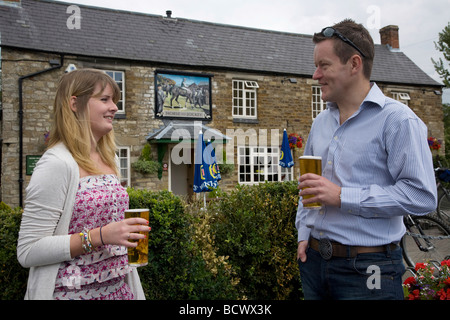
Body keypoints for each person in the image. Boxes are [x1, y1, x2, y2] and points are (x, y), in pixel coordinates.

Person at [296, 19, 437, 300]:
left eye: (324, 66)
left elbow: (422, 195)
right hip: (313, 262)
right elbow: (309, 186)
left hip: (369, 269)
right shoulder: (320, 122)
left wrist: (343, 196)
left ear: (354, 64)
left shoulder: (398, 120)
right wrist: (303, 231)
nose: (315, 75)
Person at [17, 69, 150, 300]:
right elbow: (28, 251)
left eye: (115, 101)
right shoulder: (56, 163)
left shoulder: (111, 159)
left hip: (119, 291)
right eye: (104, 99)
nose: (114, 108)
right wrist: (100, 236)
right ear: (74, 103)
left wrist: (125, 236)